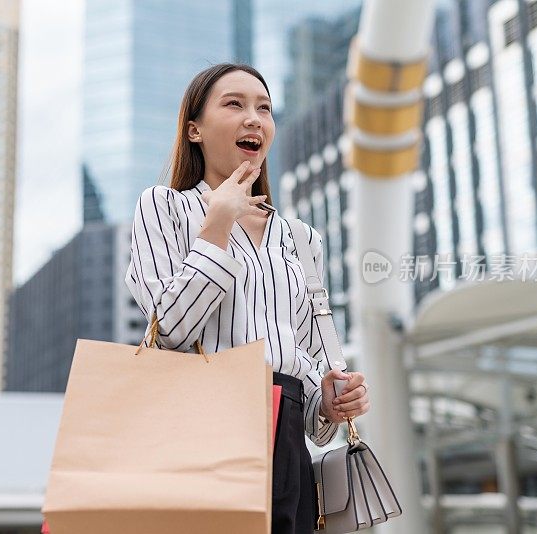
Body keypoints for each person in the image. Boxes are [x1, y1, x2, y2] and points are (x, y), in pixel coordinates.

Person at [124, 63, 372, 534]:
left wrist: (332, 403)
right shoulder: (164, 206)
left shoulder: (301, 239)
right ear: (194, 129)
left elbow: (313, 392)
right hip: (202, 428)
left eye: (264, 108)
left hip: (287, 438)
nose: (254, 118)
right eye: (234, 104)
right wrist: (216, 227)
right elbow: (170, 332)